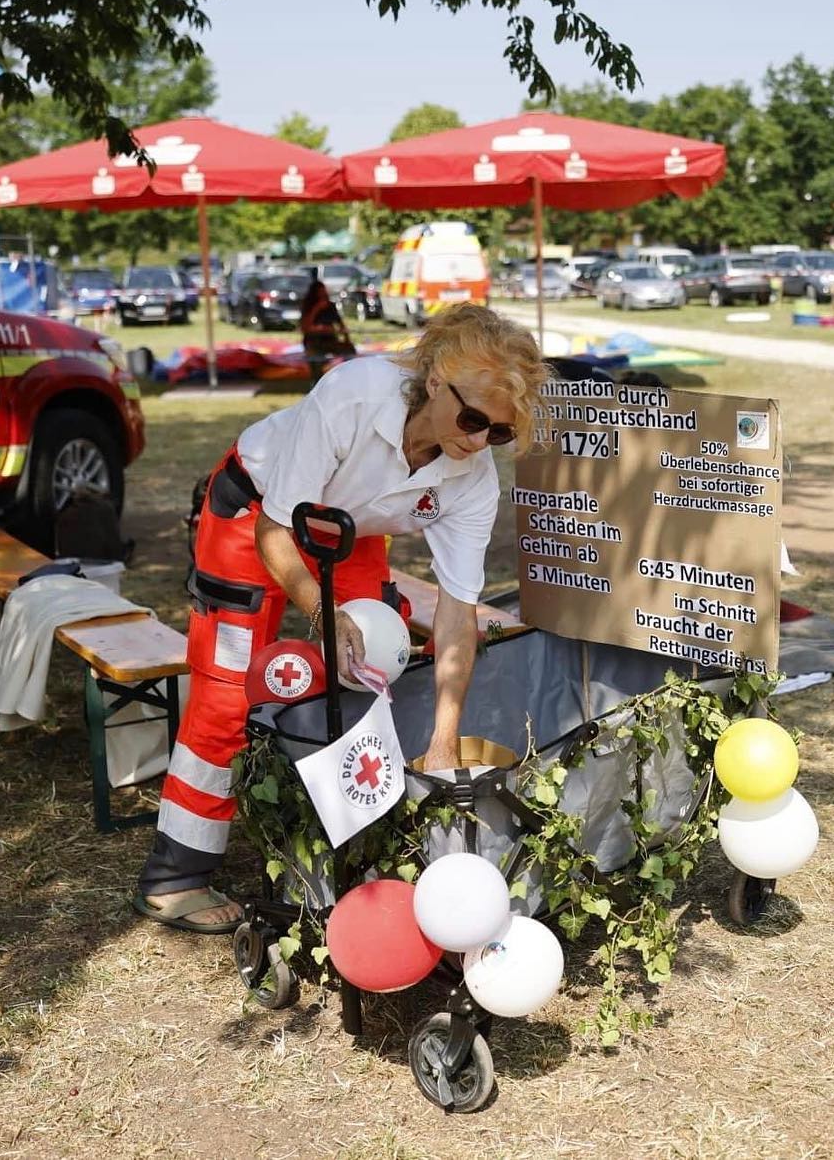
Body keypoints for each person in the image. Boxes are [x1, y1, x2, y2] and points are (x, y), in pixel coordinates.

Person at [131, 303, 547, 934]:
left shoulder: (473, 476)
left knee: (366, 668)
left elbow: (458, 614)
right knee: (228, 690)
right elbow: (277, 527)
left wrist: (442, 743)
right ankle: (175, 876)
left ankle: (338, 829)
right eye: (472, 419)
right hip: (256, 517)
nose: (479, 439)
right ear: (436, 381)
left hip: (346, 532)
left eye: (500, 432)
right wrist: (320, 613)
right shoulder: (355, 394)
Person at [299, 276, 354, 379]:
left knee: (349, 351)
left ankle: (348, 376)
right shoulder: (308, 307)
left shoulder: (330, 306)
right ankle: (316, 381)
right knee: (316, 359)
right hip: (313, 342)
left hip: (329, 339)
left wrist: (346, 338)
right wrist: (317, 309)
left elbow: (340, 325)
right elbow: (305, 326)